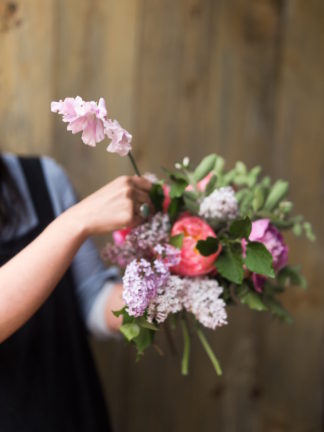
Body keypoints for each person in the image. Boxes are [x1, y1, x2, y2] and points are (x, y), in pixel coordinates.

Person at [0, 152, 152, 431]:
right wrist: (75, 222)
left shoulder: (43, 177)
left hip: (74, 413)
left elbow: (90, 296)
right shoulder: (75, 222)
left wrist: (162, 285)